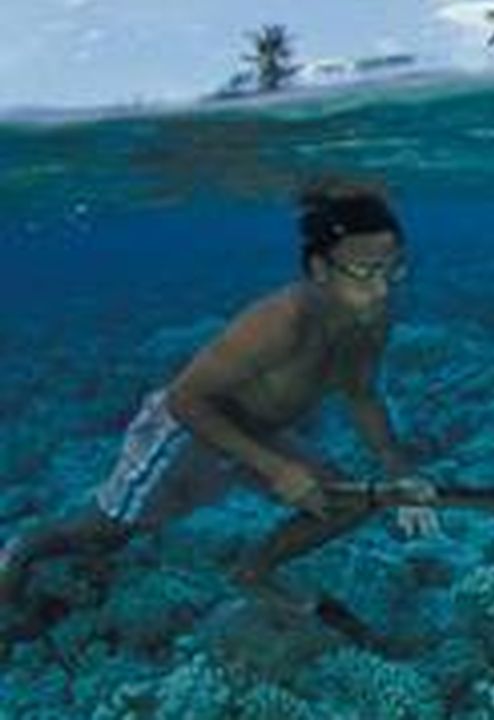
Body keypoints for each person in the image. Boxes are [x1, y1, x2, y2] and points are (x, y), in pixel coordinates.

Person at [0, 175, 438, 613]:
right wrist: (277, 469)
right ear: (319, 269)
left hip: (256, 431)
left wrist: (398, 467)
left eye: (393, 268)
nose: (382, 288)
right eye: (365, 272)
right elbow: (184, 401)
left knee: (348, 502)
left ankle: (254, 572)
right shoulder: (280, 320)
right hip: (186, 430)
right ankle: (20, 550)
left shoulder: (371, 316)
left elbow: (361, 393)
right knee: (104, 535)